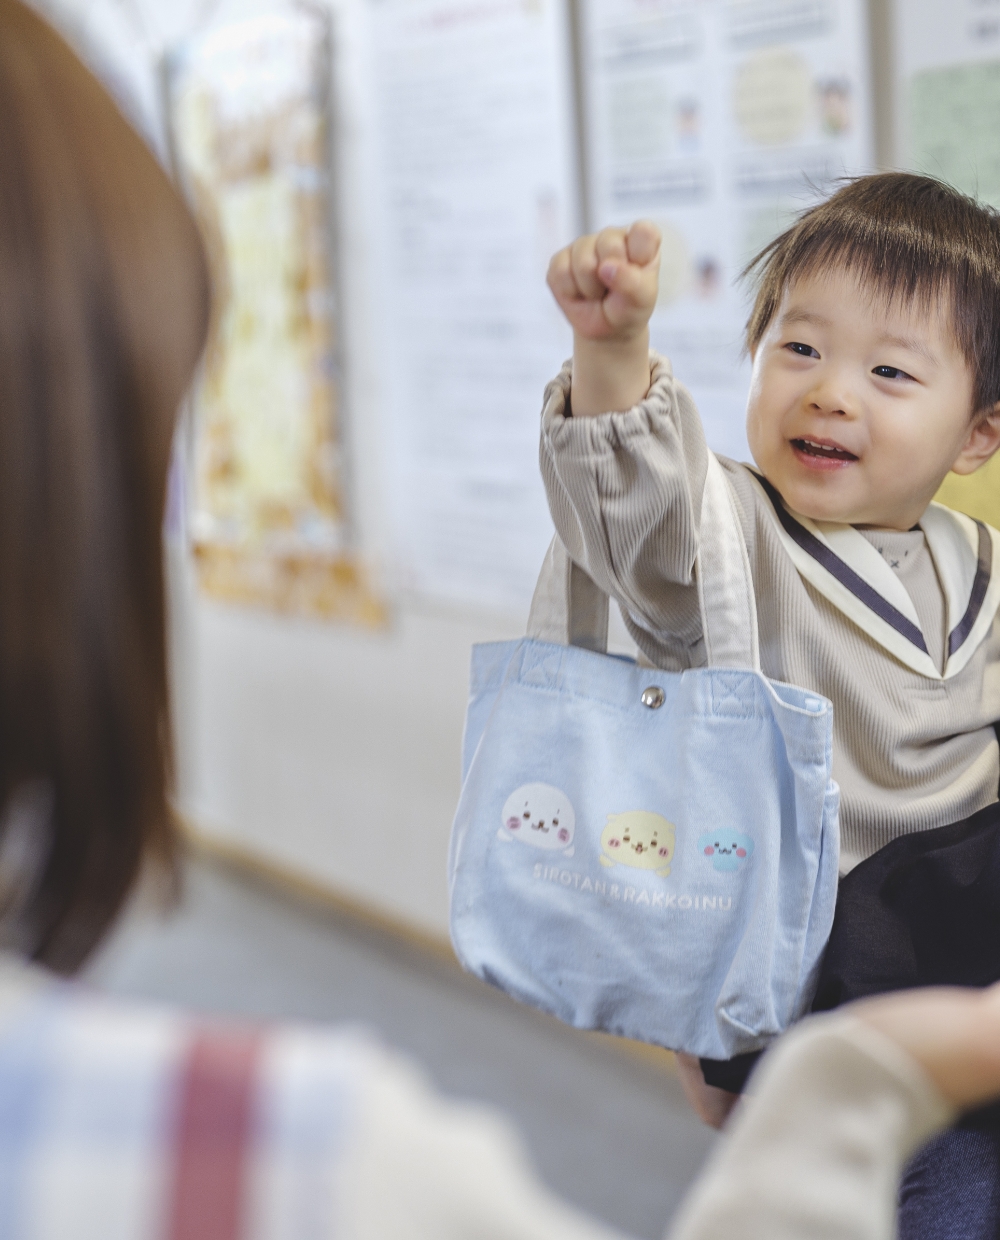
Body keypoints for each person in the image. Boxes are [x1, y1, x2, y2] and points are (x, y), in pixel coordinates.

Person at [542, 178, 1000, 1231]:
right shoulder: (725, 530)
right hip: (821, 967)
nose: (831, 392)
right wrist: (610, 353)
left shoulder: (977, 561)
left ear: (975, 434)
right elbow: (632, 512)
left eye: (889, 371)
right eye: (798, 350)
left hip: (967, 955)